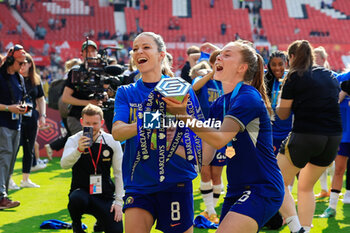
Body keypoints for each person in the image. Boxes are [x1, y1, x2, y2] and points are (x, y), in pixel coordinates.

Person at [164, 40, 284, 233]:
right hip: (236, 189)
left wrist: (183, 116)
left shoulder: (248, 97)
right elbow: (205, 157)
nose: (219, 56)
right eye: (221, 54)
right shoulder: (219, 103)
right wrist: (168, 143)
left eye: (227, 54)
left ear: (241, 68)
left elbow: (220, 139)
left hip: (262, 187)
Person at [112, 32, 201, 233]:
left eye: (145, 47)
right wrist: (150, 120)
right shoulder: (126, 92)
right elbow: (117, 132)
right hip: (139, 182)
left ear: (161, 55)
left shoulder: (182, 90)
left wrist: (174, 142)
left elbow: (198, 139)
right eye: (135, 49)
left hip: (176, 181)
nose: (138, 52)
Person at [276, 40, 342, 233]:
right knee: (305, 187)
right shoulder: (329, 74)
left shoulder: (294, 76)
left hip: (306, 134)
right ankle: (305, 228)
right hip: (332, 137)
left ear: (292, 57)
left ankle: (297, 228)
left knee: (275, 180)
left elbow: (283, 114)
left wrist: (279, 97)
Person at [61, 104, 123, 233]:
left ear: (102, 122)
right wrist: (78, 150)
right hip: (81, 191)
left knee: (116, 230)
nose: (91, 127)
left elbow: (119, 173)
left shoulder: (112, 141)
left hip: (104, 194)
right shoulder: (74, 140)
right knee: (76, 199)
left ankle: (101, 222)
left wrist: (118, 202)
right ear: (82, 121)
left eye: (95, 123)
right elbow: (64, 164)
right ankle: (77, 225)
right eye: (87, 123)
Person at [192, 50, 225, 224]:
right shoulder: (203, 79)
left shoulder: (227, 83)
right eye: (217, 62)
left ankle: (209, 209)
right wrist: (212, 73)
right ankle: (211, 211)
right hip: (202, 130)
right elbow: (193, 88)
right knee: (205, 171)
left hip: (220, 131)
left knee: (217, 174)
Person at [0, 44, 28, 209]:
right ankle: (1, 196)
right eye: (20, 63)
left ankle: (4, 195)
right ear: (10, 60)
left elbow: (21, 98)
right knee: (4, 157)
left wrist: (22, 107)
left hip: (16, 123)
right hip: (2, 123)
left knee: (10, 160)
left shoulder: (19, 78)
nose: (22, 66)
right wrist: (8, 108)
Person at [320, 69, 350, 217]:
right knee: (339, 169)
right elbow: (332, 104)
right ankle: (331, 207)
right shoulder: (340, 79)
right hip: (344, 134)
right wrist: (342, 93)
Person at [61, 40, 104, 135]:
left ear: (97, 53)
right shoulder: (76, 71)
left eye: (93, 51)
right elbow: (66, 97)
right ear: (82, 54)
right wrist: (88, 103)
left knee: (97, 147)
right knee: (85, 146)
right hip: (78, 118)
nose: (90, 54)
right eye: (87, 51)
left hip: (95, 117)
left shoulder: (101, 71)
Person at [17, 52, 47, 188]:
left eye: (25, 63)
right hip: (15, 116)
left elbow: (41, 98)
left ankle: (25, 179)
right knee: (14, 148)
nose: (22, 66)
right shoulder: (14, 78)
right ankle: (8, 179)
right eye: (21, 63)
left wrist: (43, 115)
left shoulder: (36, 79)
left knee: (29, 148)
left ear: (30, 64)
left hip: (31, 116)